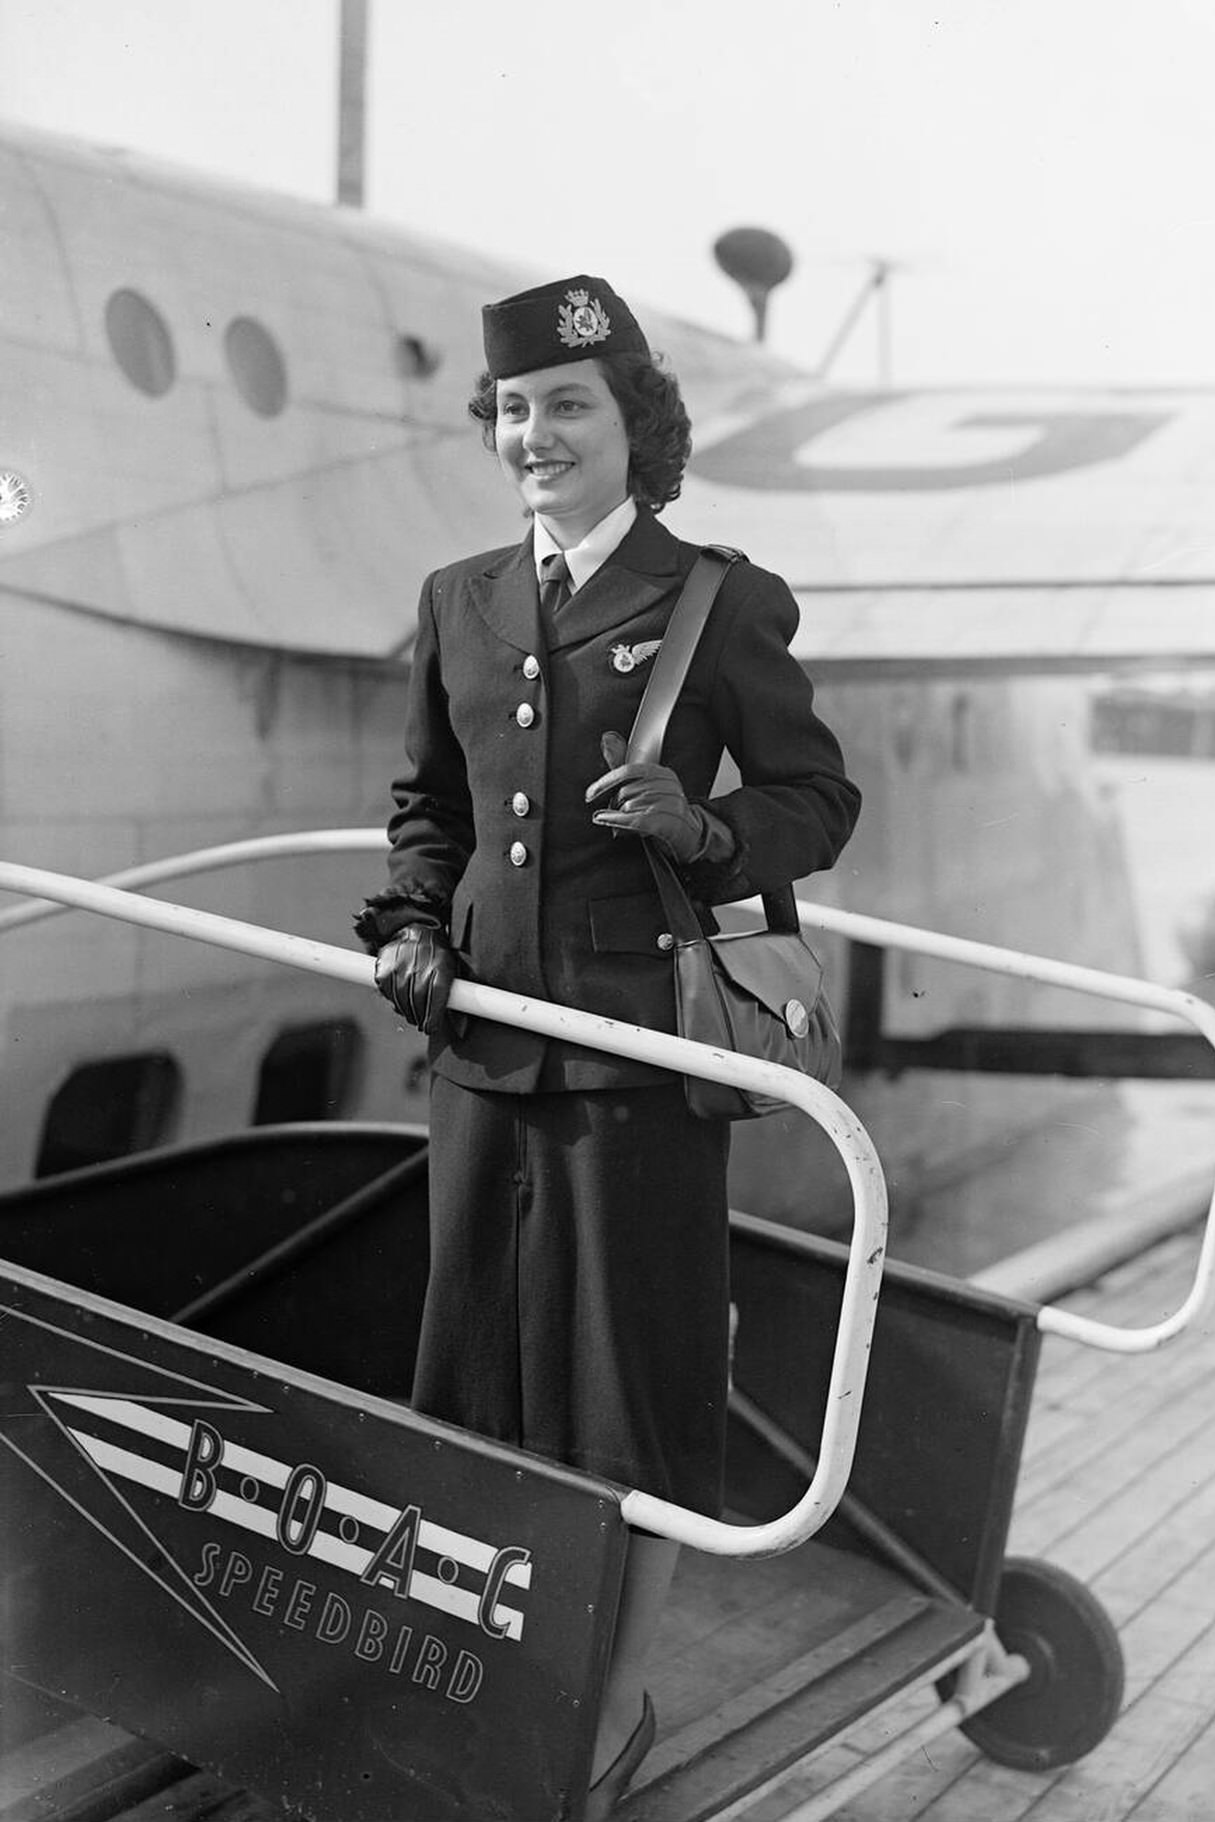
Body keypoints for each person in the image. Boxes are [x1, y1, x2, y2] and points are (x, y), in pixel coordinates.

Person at [354, 274, 859, 1815]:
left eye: (567, 406)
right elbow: (431, 808)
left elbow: (817, 800)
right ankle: (482, 1670)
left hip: (641, 1061)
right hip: (484, 1053)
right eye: (513, 410)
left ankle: (616, 1695)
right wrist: (414, 925)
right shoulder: (458, 597)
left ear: (635, 425)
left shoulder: (716, 597)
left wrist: (703, 828)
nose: (535, 435)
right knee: (473, 1374)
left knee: (629, 1391)